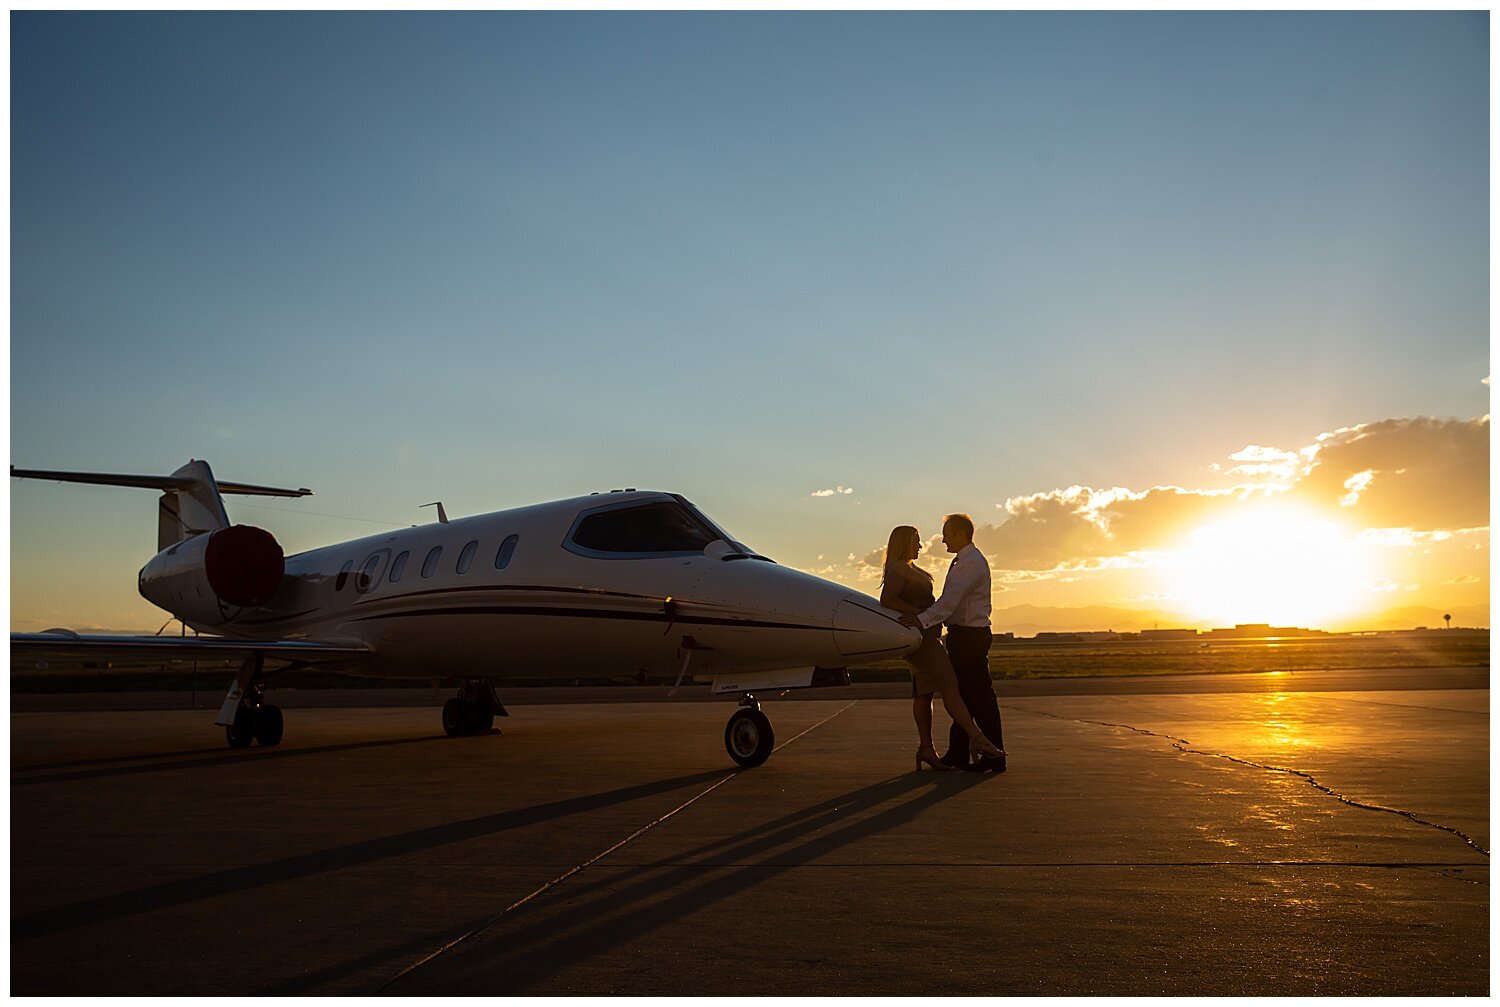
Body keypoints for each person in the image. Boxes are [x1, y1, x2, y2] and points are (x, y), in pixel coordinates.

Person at [880, 525, 1005, 771]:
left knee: (965, 693)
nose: (923, 545)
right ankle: (975, 744)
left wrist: (926, 618)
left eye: (947, 535)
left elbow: (949, 601)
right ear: (905, 542)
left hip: (959, 635)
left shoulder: (968, 563)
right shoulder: (900, 568)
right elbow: (888, 600)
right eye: (916, 540)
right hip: (928, 636)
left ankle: (957, 751)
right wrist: (922, 616)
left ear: (960, 534)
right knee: (952, 689)